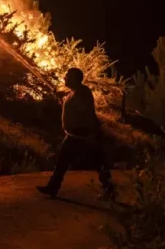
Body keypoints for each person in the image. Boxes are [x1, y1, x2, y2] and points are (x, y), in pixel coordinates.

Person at [37, 68, 116, 199]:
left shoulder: (82, 92)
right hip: (73, 135)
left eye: (67, 76)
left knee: (95, 161)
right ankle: (53, 187)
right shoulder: (73, 93)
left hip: (82, 134)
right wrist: (62, 97)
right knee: (63, 161)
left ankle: (109, 188)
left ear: (75, 78)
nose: (64, 78)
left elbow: (88, 112)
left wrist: (92, 133)